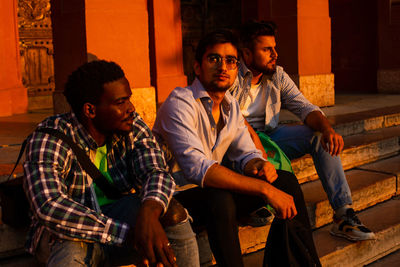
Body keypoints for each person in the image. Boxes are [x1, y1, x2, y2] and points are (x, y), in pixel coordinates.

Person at [153, 30, 321, 267]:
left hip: (209, 194)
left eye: (230, 61)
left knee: (286, 183)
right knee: (220, 199)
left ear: (236, 69)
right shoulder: (180, 103)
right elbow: (198, 170)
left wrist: (258, 164)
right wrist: (264, 189)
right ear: (198, 67)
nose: (223, 66)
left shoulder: (230, 106)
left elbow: (245, 152)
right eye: (214, 59)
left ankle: (305, 263)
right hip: (173, 198)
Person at [23, 60, 199, 267]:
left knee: (173, 212)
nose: (131, 108)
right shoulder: (49, 138)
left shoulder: (131, 125)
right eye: (120, 102)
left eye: (129, 99)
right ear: (90, 110)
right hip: (72, 232)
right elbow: (50, 205)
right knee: (70, 254)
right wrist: (127, 234)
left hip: (121, 215)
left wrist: (149, 214)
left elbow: (156, 171)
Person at [229, 20, 375, 241]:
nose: (274, 54)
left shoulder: (277, 75)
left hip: (271, 134)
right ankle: (253, 204)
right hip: (238, 142)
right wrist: (257, 146)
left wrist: (327, 129)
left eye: (274, 48)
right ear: (247, 54)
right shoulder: (231, 75)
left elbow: (304, 106)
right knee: (252, 148)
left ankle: (343, 214)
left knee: (318, 137)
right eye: (267, 49)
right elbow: (228, 122)